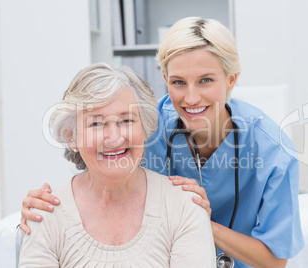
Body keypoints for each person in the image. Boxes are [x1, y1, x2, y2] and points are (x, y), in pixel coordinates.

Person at [20, 17, 304, 267]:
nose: (191, 98)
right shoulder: (143, 124)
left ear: (231, 80)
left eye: (206, 80)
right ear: (165, 78)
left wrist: (197, 220)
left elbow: (274, 260)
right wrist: (48, 206)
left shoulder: (272, 149)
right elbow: (101, 168)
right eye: (178, 82)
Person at [18, 63, 216, 267]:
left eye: (126, 120)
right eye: (96, 124)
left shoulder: (184, 206)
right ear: (72, 137)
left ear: (145, 127)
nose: (114, 137)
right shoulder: (46, 213)